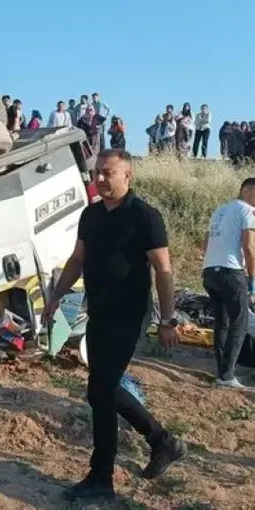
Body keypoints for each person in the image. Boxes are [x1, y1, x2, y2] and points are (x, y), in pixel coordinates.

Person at [43, 149, 186, 502]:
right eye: (97, 173)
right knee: (99, 391)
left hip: (130, 314)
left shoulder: (145, 216)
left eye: (108, 173)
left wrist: (168, 319)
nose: (101, 179)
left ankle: (101, 478)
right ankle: (162, 441)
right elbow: (78, 260)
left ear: (128, 176)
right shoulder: (90, 215)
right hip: (100, 313)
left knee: (103, 389)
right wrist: (57, 296)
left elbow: (163, 271)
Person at [201, 178, 255, 389]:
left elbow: (207, 240)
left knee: (221, 322)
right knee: (239, 322)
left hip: (210, 272)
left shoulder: (220, 210)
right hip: (231, 271)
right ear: (246, 190)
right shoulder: (248, 211)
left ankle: (222, 372)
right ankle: (227, 376)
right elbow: (250, 247)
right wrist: (252, 278)